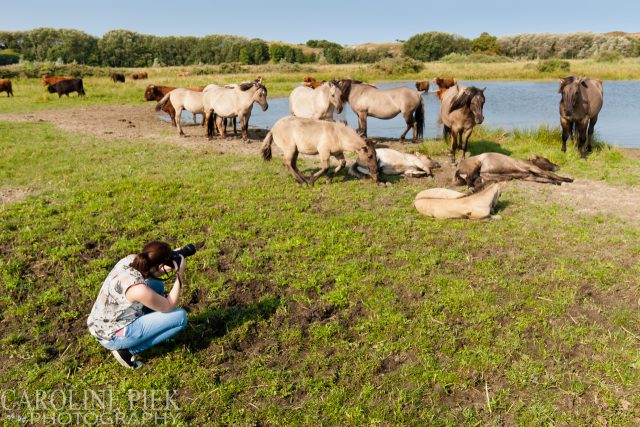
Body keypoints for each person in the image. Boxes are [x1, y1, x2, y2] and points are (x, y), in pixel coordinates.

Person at [87, 241, 188, 369]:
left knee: (156, 284)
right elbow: (169, 305)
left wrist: (165, 257)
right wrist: (179, 274)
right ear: (160, 264)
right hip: (111, 335)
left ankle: (155, 327)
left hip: (101, 322)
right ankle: (127, 351)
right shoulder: (138, 290)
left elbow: (150, 272)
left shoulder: (130, 259)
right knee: (180, 317)